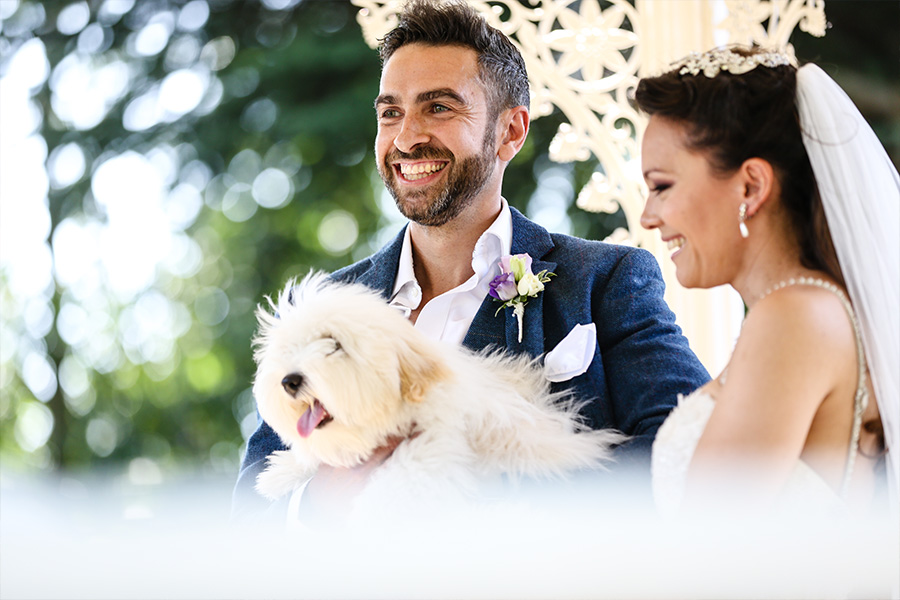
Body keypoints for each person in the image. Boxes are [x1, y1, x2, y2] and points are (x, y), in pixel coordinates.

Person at [232, 0, 709, 522]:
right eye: (390, 112)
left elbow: (687, 456)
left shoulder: (607, 280)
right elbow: (249, 513)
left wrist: (474, 490)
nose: (407, 137)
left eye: (438, 107)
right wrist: (321, 500)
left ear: (511, 131)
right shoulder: (324, 309)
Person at [636, 46, 898, 517]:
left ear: (751, 186)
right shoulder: (807, 309)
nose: (648, 216)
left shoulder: (796, 315)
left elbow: (713, 543)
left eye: (661, 186)